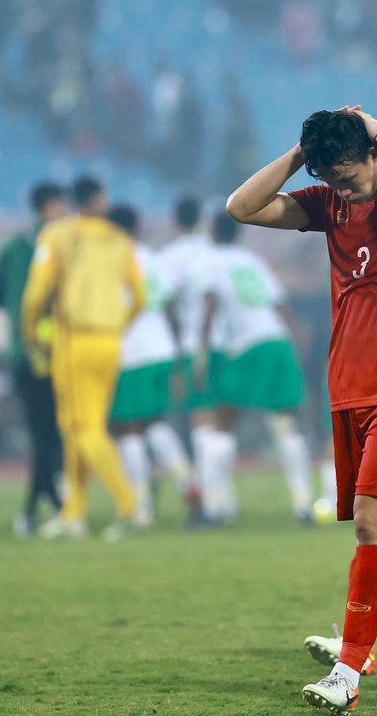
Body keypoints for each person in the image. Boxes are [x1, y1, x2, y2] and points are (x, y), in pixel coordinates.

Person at [227, 106, 377, 711]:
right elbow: (242, 207)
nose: (344, 190)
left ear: (373, 156)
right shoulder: (331, 203)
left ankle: (349, 672)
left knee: (369, 521)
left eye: (350, 176)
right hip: (350, 386)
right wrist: (300, 152)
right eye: (331, 179)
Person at [22, 176, 144, 541]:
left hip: (74, 340)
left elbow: (36, 292)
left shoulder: (55, 235)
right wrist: (118, 326)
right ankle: (72, 513)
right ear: (98, 199)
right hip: (109, 342)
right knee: (78, 428)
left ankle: (129, 505)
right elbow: (138, 296)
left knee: (84, 428)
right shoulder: (120, 240)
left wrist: (30, 332)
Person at [199, 212, 314, 524]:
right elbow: (281, 304)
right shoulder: (252, 260)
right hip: (277, 341)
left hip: (247, 346)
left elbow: (210, 306)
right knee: (284, 425)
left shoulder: (211, 261)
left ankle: (217, 507)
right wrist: (293, 340)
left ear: (211, 232)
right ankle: (304, 504)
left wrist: (202, 351)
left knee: (223, 421)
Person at [106, 205, 195, 528]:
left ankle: (140, 509)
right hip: (165, 348)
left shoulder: (112, 259)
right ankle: (187, 481)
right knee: (156, 421)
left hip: (133, 352)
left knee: (128, 427)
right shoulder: (155, 258)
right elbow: (170, 306)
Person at [0, 181, 67, 536]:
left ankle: (48, 503)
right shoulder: (58, 244)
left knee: (43, 433)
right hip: (50, 351)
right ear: (49, 206)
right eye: (61, 206)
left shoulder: (9, 248)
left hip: (19, 352)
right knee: (49, 434)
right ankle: (38, 507)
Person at [159, 198, 219, 519]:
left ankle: (198, 499)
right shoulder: (211, 251)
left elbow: (165, 302)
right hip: (214, 344)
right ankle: (215, 499)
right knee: (207, 423)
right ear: (200, 219)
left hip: (181, 346)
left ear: (175, 219)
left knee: (167, 424)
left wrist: (178, 343)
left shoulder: (168, 256)